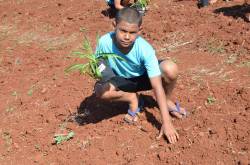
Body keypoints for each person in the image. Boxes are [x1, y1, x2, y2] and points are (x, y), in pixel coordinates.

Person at [94, 7, 187, 144]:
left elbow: (156, 86)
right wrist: (105, 77)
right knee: (101, 91)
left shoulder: (145, 49)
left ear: (140, 30)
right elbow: (99, 62)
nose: (127, 36)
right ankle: (132, 98)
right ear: (114, 25)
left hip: (143, 78)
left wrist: (166, 123)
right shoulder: (104, 42)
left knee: (170, 68)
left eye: (132, 32)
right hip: (121, 80)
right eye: (123, 31)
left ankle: (166, 101)